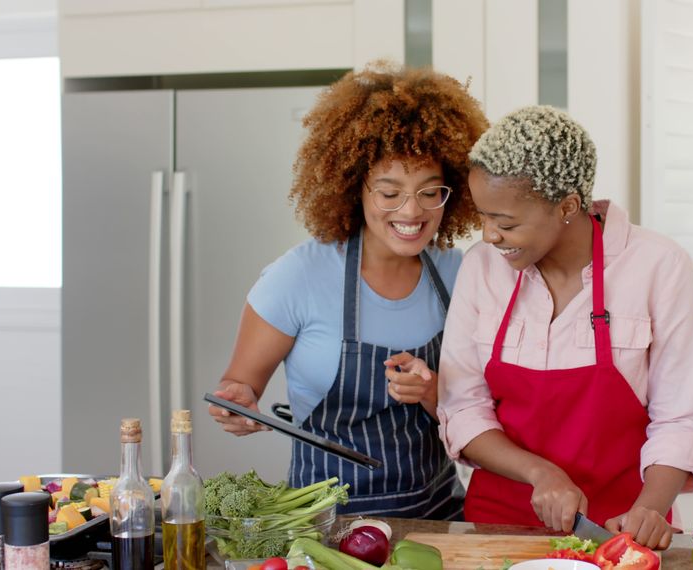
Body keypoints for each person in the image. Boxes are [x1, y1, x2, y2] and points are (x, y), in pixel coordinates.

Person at [208, 61, 488, 519]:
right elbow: (238, 386)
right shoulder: (296, 277)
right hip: (324, 526)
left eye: (429, 191)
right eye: (389, 191)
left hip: (439, 521)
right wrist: (236, 403)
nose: (411, 211)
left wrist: (433, 392)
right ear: (354, 185)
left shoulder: (460, 273)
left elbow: (483, 408)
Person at [435, 105, 693, 548]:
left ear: (567, 206)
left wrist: (650, 510)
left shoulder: (659, 265)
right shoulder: (481, 268)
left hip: (618, 530)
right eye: (483, 216)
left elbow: (678, 418)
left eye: (505, 223)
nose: (488, 236)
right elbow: (463, 408)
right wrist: (540, 472)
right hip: (497, 528)